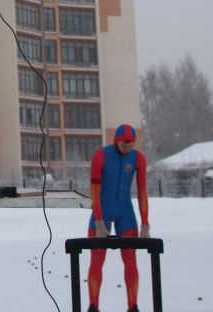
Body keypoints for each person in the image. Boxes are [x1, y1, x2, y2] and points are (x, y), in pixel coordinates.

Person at [86, 123, 150, 312]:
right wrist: (98, 222)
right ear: (116, 142)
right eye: (124, 145)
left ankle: (133, 307)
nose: (127, 149)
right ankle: (93, 306)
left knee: (130, 261)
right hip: (102, 210)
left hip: (125, 211)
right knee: (97, 261)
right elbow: (95, 190)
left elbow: (142, 191)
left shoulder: (138, 158)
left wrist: (145, 223)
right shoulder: (101, 155)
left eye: (130, 146)